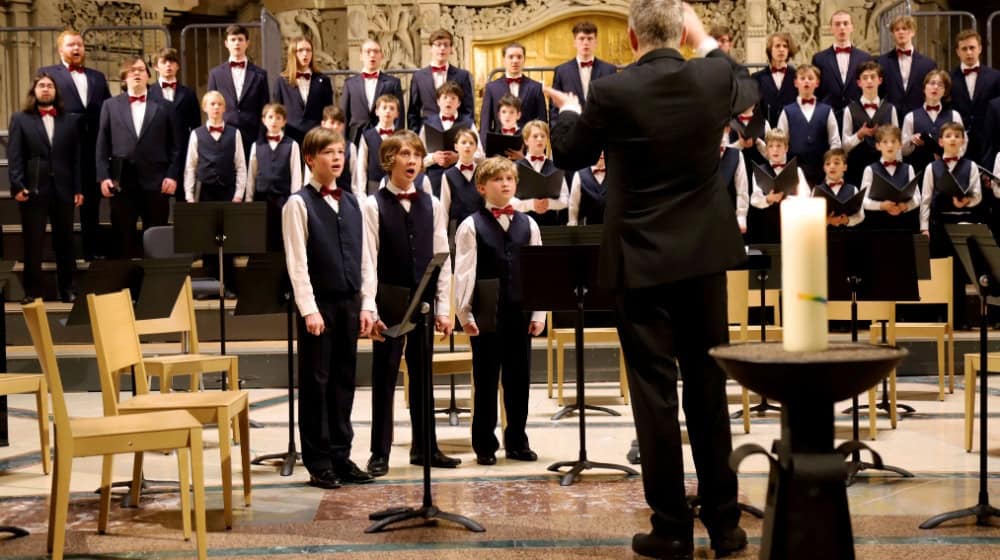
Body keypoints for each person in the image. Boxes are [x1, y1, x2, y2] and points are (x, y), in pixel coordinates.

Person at [548, 1, 755, 558]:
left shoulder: (612, 91)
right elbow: (746, 87)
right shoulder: (711, 76)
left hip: (639, 263)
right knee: (708, 392)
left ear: (632, 40)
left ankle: (670, 528)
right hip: (703, 261)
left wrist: (569, 110)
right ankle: (726, 524)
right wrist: (704, 38)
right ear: (682, 34)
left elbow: (570, 151)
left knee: (655, 396)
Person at [359, 130, 459, 478]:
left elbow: (442, 256)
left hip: (423, 303)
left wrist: (445, 308)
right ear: (390, 161)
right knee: (384, 377)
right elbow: (368, 260)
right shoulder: (373, 204)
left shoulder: (431, 204)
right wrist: (369, 307)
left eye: (417, 154)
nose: (413, 160)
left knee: (422, 376)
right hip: (388, 298)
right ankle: (379, 452)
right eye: (405, 154)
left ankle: (425, 447)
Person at [282, 126, 374, 489]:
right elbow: (297, 261)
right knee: (317, 382)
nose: (337, 158)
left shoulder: (353, 201)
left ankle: (341, 454)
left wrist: (367, 304)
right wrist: (308, 308)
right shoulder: (298, 203)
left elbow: (366, 257)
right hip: (319, 305)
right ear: (310, 159)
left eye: (341, 152)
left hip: (350, 301)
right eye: (329, 153)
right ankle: (318, 460)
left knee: (343, 381)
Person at [453, 156, 546, 465]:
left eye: (509, 179)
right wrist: (464, 315)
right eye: (497, 179)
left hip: (520, 311)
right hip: (486, 314)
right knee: (486, 379)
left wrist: (538, 314)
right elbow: (464, 272)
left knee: (519, 380)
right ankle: (484, 444)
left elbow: (537, 271)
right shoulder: (470, 225)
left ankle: (517, 440)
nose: (505, 183)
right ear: (482, 187)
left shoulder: (528, 223)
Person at [7, 73, 82, 303]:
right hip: (33, 189)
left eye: (50, 86)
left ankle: (67, 289)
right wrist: (17, 185)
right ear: (34, 91)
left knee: (65, 242)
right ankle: (32, 292)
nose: (46, 89)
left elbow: (76, 158)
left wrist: (78, 188)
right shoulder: (20, 119)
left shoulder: (69, 120)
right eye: (42, 86)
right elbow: (15, 155)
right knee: (33, 242)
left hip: (64, 188)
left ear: (56, 92)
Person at [95, 56, 178, 259]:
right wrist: (103, 176)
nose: (137, 73)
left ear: (148, 75)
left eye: (141, 70)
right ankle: (127, 288)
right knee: (123, 239)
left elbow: (176, 146)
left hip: (156, 181)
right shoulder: (110, 106)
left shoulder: (165, 106)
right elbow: (102, 144)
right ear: (124, 77)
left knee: (156, 238)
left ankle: (156, 287)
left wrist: (172, 176)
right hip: (122, 182)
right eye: (132, 70)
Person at [38, 30, 111, 261]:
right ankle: (63, 258)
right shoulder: (47, 73)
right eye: (71, 45)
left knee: (91, 203)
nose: (77, 49)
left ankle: (93, 252)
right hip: (62, 147)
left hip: (91, 147)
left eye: (80, 44)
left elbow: (107, 110)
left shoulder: (98, 77)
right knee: (62, 206)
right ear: (61, 49)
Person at [207, 24, 270, 161]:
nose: (237, 43)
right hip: (225, 134)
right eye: (233, 39)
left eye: (240, 39)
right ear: (226, 43)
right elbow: (210, 106)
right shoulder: (215, 74)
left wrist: (261, 136)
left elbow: (264, 107)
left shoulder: (260, 74)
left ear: (247, 43)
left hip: (252, 135)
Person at [246, 103, 303, 253]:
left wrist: (294, 200)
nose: (274, 121)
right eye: (270, 117)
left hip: (283, 199)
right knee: (263, 239)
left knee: (282, 239)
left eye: (278, 118)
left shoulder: (292, 145)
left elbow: (296, 174)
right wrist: (249, 200)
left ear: (284, 121)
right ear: (263, 120)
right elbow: (251, 174)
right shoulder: (256, 145)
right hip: (262, 198)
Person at [775, 64, 841, 186]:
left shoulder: (827, 111)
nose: (806, 81)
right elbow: (780, 142)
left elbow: (835, 141)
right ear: (796, 83)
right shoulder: (787, 111)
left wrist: (832, 167)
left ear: (817, 83)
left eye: (810, 78)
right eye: (802, 78)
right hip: (795, 171)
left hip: (822, 171)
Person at [149, 48, 201, 200]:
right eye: (163, 62)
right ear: (156, 67)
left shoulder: (188, 94)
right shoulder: (149, 93)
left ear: (178, 66)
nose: (168, 66)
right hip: (157, 155)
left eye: (172, 61)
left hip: (183, 153)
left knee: (184, 202)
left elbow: (196, 126)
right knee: (157, 204)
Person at [419, 81, 482, 197]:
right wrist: (433, 157)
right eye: (445, 97)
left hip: (462, 177)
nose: (449, 101)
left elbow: (481, 156)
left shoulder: (468, 124)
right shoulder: (427, 125)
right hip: (435, 178)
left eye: (453, 98)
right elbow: (418, 157)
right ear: (438, 101)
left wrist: (459, 156)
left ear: (458, 103)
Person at [183, 91, 248, 204]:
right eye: (212, 104)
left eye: (220, 104)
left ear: (224, 108)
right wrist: (189, 195)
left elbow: (240, 165)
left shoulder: (235, 133)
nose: (216, 107)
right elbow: (191, 166)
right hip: (203, 191)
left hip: (228, 191)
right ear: (204, 107)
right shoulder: (196, 134)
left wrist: (239, 194)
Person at [841, 61, 898, 187]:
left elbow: (897, 143)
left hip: (886, 170)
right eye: (865, 78)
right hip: (857, 170)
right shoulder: (849, 110)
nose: (869, 81)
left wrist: (898, 169)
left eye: (873, 77)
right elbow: (844, 146)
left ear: (880, 80)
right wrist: (859, 136)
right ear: (859, 83)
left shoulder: (890, 109)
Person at [549, 21, 618, 123]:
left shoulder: (609, 70)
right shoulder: (562, 71)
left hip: (601, 132)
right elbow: (554, 107)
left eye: (590, 39)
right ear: (575, 42)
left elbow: (614, 103)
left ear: (595, 42)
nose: (586, 42)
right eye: (581, 39)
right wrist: (557, 133)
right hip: (570, 130)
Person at [407, 29, 475, 132]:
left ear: (451, 49)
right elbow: (413, 111)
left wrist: (463, 132)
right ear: (431, 48)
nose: (442, 48)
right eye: (438, 45)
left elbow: (468, 109)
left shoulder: (463, 75)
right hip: (428, 131)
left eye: (446, 45)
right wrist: (416, 135)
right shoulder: (419, 76)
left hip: (456, 131)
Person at [749, 128, 808, 243]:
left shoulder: (797, 171)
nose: (775, 149)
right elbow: (754, 199)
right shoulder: (759, 171)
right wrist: (767, 199)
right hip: (768, 227)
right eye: (771, 146)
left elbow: (807, 197)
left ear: (786, 148)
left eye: (779, 146)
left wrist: (790, 200)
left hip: (793, 225)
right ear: (766, 149)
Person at [950, 30, 1000, 165]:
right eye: (964, 49)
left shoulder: (995, 77)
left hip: (988, 142)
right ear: (957, 52)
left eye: (972, 48)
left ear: (980, 49)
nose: (969, 52)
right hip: (958, 142)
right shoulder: (949, 78)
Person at [340, 39, 404, 145]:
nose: (372, 55)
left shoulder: (393, 83)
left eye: (376, 51)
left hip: (384, 137)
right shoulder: (350, 83)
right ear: (361, 56)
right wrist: (343, 141)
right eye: (368, 51)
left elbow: (399, 115)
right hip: (356, 137)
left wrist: (398, 138)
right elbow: (344, 116)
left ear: (381, 56)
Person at [811, 10, 873, 119]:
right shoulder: (819, 58)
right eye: (837, 24)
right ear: (831, 29)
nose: (842, 27)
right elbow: (816, 90)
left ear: (852, 27)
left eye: (845, 23)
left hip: (857, 115)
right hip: (828, 115)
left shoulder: (865, 58)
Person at [273, 37, 334, 148]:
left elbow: (328, 112)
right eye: (300, 50)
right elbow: (277, 111)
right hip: (290, 139)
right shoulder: (281, 81)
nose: (305, 54)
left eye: (308, 50)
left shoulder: (323, 80)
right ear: (293, 53)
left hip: (316, 138)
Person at [901, 70, 964, 174]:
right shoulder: (910, 117)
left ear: (945, 91)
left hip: (948, 171)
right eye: (932, 83)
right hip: (919, 172)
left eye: (940, 85)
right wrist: (911, 140)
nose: (935, 87)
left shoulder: (954, 116)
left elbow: (962, 146)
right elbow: (902, 151)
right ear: (924, 88)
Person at [860, 124, 919, 232]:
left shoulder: (908, 168)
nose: (890, 146)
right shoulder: (870, 170)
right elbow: (863, 201)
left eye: (893, 141)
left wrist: (905, 206)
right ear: (878, 146)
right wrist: (881, 205)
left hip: (904, 224)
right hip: (878, 225)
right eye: (885, 142)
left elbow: (917, 197)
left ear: (900, 144)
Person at [878, 15, 937, 119]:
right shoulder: (881, 62)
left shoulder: (928, 64)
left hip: (919, 118)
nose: (901, 32)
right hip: (890, 119)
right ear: (893, 34)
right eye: (897, 29)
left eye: (905, 28)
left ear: (913, 32)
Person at [480, 42, 545, 135]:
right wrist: (485, 148)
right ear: (504, 60)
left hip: (527, 145)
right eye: (511, 57)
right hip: (498, 144)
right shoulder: (491, 88)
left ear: (524, 59)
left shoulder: (536, 87)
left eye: (519, 57)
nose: (515, 60)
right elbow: (485, 124)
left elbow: (542, 123)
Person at [513, 120, 569, 226]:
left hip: (550, 225)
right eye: (535, 136)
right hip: (522, 225)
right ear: (526, 140)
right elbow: (508, 201)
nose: (540, 139)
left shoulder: (556, 166)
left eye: (543, 136)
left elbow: (565, 199)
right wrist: (531, 204)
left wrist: (549, 204)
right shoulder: (515, 167)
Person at [353, 94, 401, 198]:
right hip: (373, 185)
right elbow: (362, 166)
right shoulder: (367, 136)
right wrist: (362, 193)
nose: (388, 111)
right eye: (384, 108)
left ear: (397, 114)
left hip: (398, 185)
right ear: (377, 111)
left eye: (392, 108)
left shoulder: (402, 136)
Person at [302, 105, 356, 193]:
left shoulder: (351, 147)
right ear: (323, 124)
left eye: (339, 124)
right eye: (332, 122)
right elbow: (308, 176)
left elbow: (355, 178)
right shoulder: (314, 145)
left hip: (343, 196)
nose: (335, 127)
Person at [752, 32, 798, 128]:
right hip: (766, 131)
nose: (781, 49)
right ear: (770, 50)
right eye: (777, 46)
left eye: (785, 46)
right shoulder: (757, 77)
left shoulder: (797, 76)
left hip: (791, 128)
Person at [439, 128, 484, 226]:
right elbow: (444, 208)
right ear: (456, 147)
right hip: (456, 226)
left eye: (471, 143)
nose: (467, 145)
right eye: (463, 142)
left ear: (476, 148)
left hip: (480, 224)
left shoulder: (483, 173)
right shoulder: (448, 175)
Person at [812, 148, 864, 228]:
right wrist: (827, 220)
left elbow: (860, 216)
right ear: (824, 168)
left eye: (836, 163)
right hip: (824, 236)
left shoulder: (853, 189)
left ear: (845, 167)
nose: (832, 166)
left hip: (849, 236)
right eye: (828, 164)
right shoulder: (817, 190)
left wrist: (848, 220)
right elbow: (811, 218)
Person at [717, 134, 749, 235]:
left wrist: (741, 215)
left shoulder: (736, 154)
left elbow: (742, 188)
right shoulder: (701, 153)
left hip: (728, 212)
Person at [568, 152, 609, 226]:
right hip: (587, 230)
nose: (602, 153)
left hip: (611, 229)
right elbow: (573, 206)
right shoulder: (579, 175)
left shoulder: (615, 174)